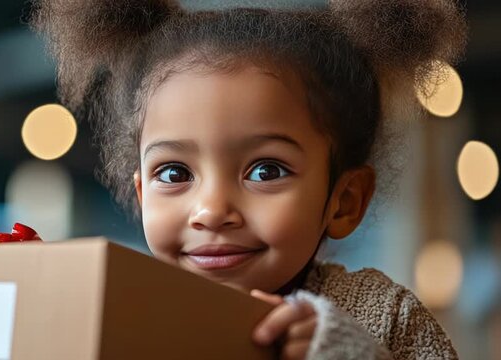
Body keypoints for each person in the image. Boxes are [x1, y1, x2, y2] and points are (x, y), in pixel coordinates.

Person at [31, 0, 467, 358]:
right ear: (143, 194)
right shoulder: (120, 318)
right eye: (175, 173)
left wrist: (347, 352)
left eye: (266, 171)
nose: (212, 211)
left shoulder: (384, 315)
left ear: (344, 200)